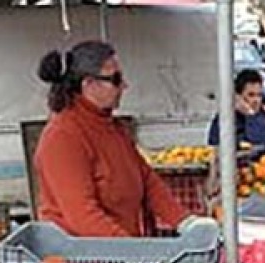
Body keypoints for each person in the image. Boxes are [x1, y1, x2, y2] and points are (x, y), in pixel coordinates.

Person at [34, 40, 188, 238]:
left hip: (119, 253)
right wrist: (133, 252)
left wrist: (185, 221)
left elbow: (147, 181)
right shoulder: (62, 137)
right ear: (88, 84)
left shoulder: (114, 127)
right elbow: (82, 215)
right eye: (115, 79)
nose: (124, 85)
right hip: (82, 260)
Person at [207, 69, 265, 161]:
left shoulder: (262, 116)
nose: (256, 100)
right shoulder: (225, 119)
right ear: (238, 96)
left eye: (259, 95)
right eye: (251, 95)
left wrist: (251, 117)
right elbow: (216, 149)